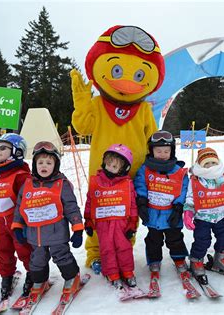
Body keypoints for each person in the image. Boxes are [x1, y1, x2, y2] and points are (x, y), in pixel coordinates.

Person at [70, 25, 165, 272]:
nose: (126, 81)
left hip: (133, 172)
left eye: (139, 76)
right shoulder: (98, 103)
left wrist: (158, 165)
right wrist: (81, 102)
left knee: (127, 213)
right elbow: (82, 127)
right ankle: (95, 253)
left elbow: (153, 138)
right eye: (117, 70)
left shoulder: (144, 109)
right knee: (100, 210)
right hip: (102, 173)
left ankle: (122, 250)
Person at [12, 141, 84, 299]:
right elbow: (20, 206)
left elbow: (71, 207)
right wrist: (17, 226)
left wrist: (77, 228)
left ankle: (72, 277)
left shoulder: (61, 184)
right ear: (34, 164)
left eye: (49, 162)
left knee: (62, 256)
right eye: (40, 162)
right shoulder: (28, 184)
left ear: (56, 164)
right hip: (34, 235)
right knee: (37, 260)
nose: (44, 166)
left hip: (56, 233)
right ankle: (40, 281)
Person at [0, 133, 33, 300]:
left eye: (3, 148)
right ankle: (6, 277)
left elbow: (27, 202)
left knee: (25, 250)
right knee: (2, 252)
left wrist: (26, 223)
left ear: (17, 151)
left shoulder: (21, 176)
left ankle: (33, 274)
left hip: (17, 222)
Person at [134, 130, 189, 275]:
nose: (163, 154)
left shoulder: (178, 171)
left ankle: (179, 259)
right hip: (153, 214)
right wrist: (141, 203)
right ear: (152, 151)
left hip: (171, 214)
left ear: (172, 151)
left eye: (166, 151)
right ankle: (154, 261)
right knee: (153, 240)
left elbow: (183, 189)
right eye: (158, 151)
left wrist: (178, 208)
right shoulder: (145, 169)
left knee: (175, 239)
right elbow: (141, 186)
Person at [84, 144, 139, 289]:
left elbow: (132, 205)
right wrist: (88, 221)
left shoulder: (127, 184)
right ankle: (113, 273)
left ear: (123, 169)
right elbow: (90, 202)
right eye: (108, 165)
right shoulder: (97, 182)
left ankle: (127, 272)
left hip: (121, 224)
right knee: (107, 249)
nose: (109, 169)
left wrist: (132, 224)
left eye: (114, 167)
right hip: (103, 224)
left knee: (124, 248)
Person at [183, 148, 224, 283]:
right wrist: (188, 213)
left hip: (220, 216)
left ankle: (221, 257)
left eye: (213, 163)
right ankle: (196, 260)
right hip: (203, 217)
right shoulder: (196, 180)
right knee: (202, 240)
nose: (210, 167)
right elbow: (191, 197)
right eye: (206, 164)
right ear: (201, 165)